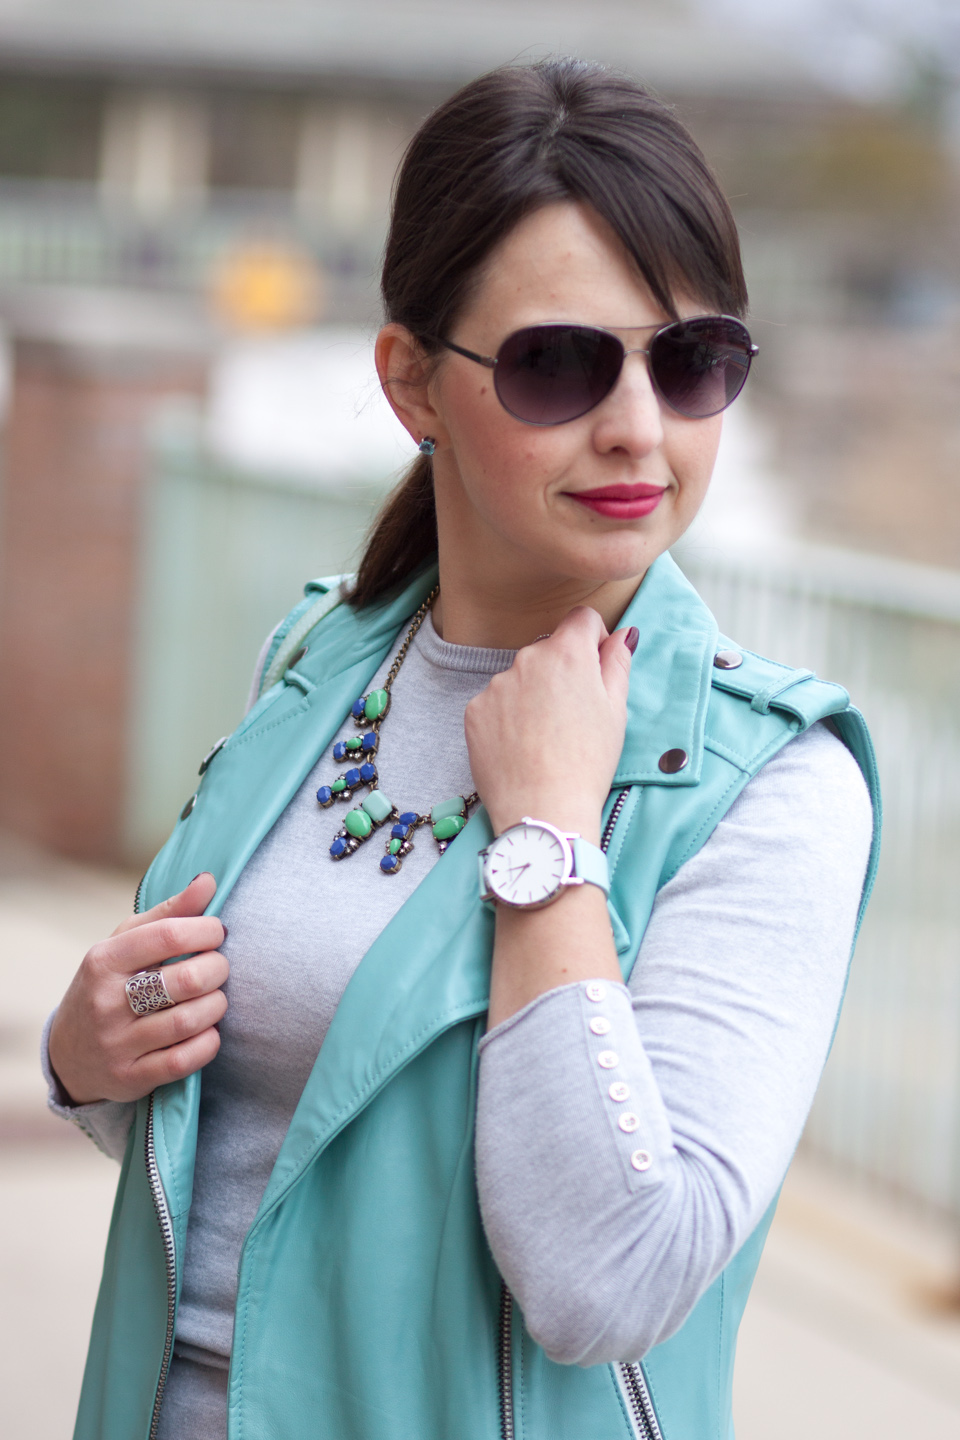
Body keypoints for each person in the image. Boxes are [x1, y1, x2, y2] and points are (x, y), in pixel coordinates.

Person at [44, 59, 878, 1440]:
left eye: (692, 361)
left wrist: (549, 844)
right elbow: (269, 1152)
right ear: (412, 382)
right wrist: (84, 1058)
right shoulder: (319, 657)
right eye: (559, 363)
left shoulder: (769, 782)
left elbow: (610, 1281)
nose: (638, 427)